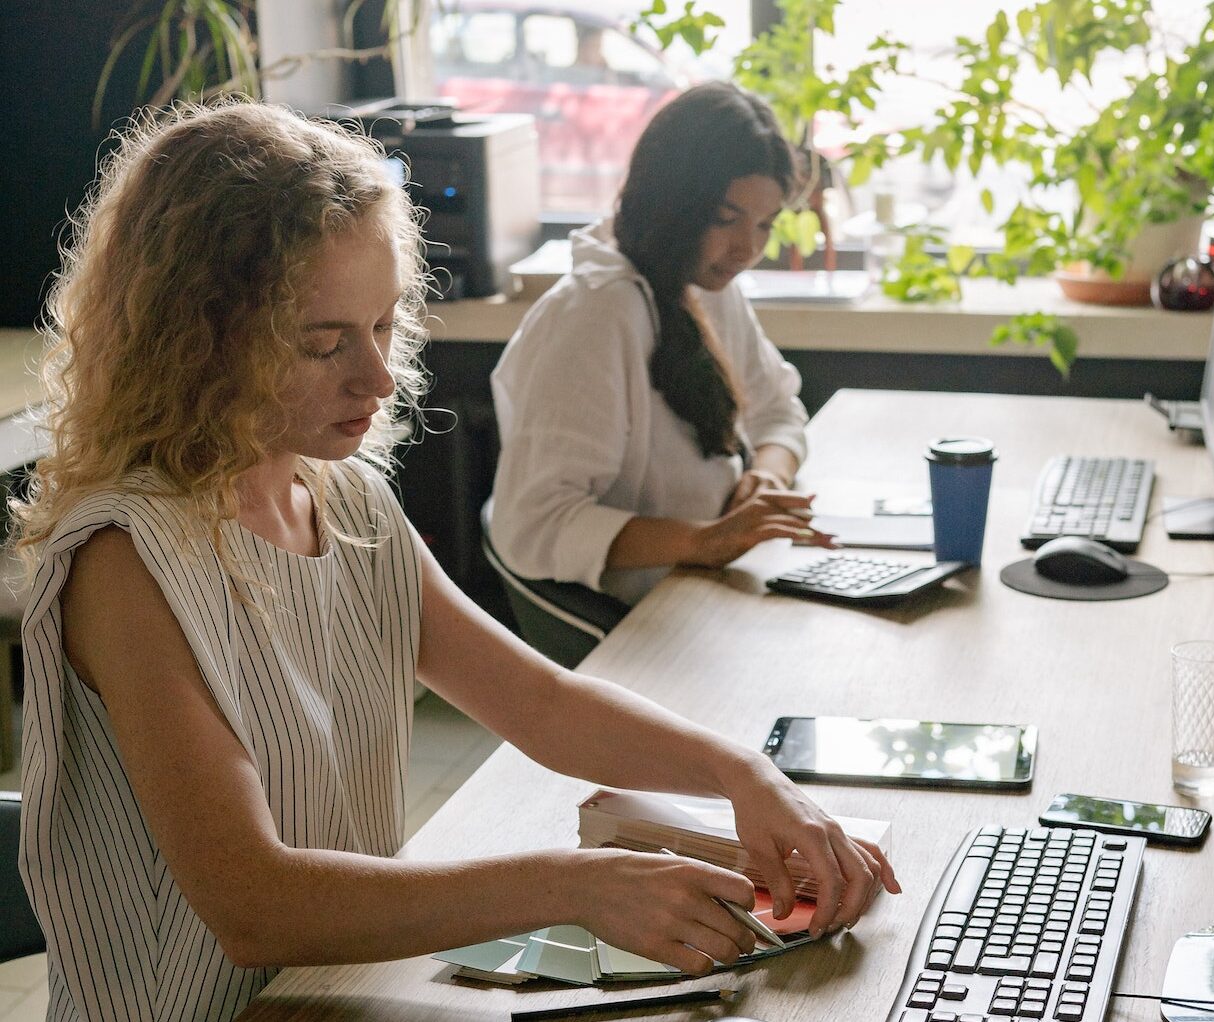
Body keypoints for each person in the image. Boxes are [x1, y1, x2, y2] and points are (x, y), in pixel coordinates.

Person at [12, 101, 898, 1022]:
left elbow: (542, 707)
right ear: (197, 340)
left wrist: (746, 776)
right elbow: (255, 905)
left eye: (384, 324)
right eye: (324, 343)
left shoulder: (347, 502)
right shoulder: (126, 561)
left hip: (331, 996)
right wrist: (575, 886)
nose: (377, 377)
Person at [489, 81, 835, 605]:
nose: (747, 249)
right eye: (725, 219)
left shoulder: (707, 283)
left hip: (706, 588)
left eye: (765, 224)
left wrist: (767, 475)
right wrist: (704, 540)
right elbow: (532, 526)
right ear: (671, 202)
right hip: (645, 614)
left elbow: (778, 410)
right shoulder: (596, 314)